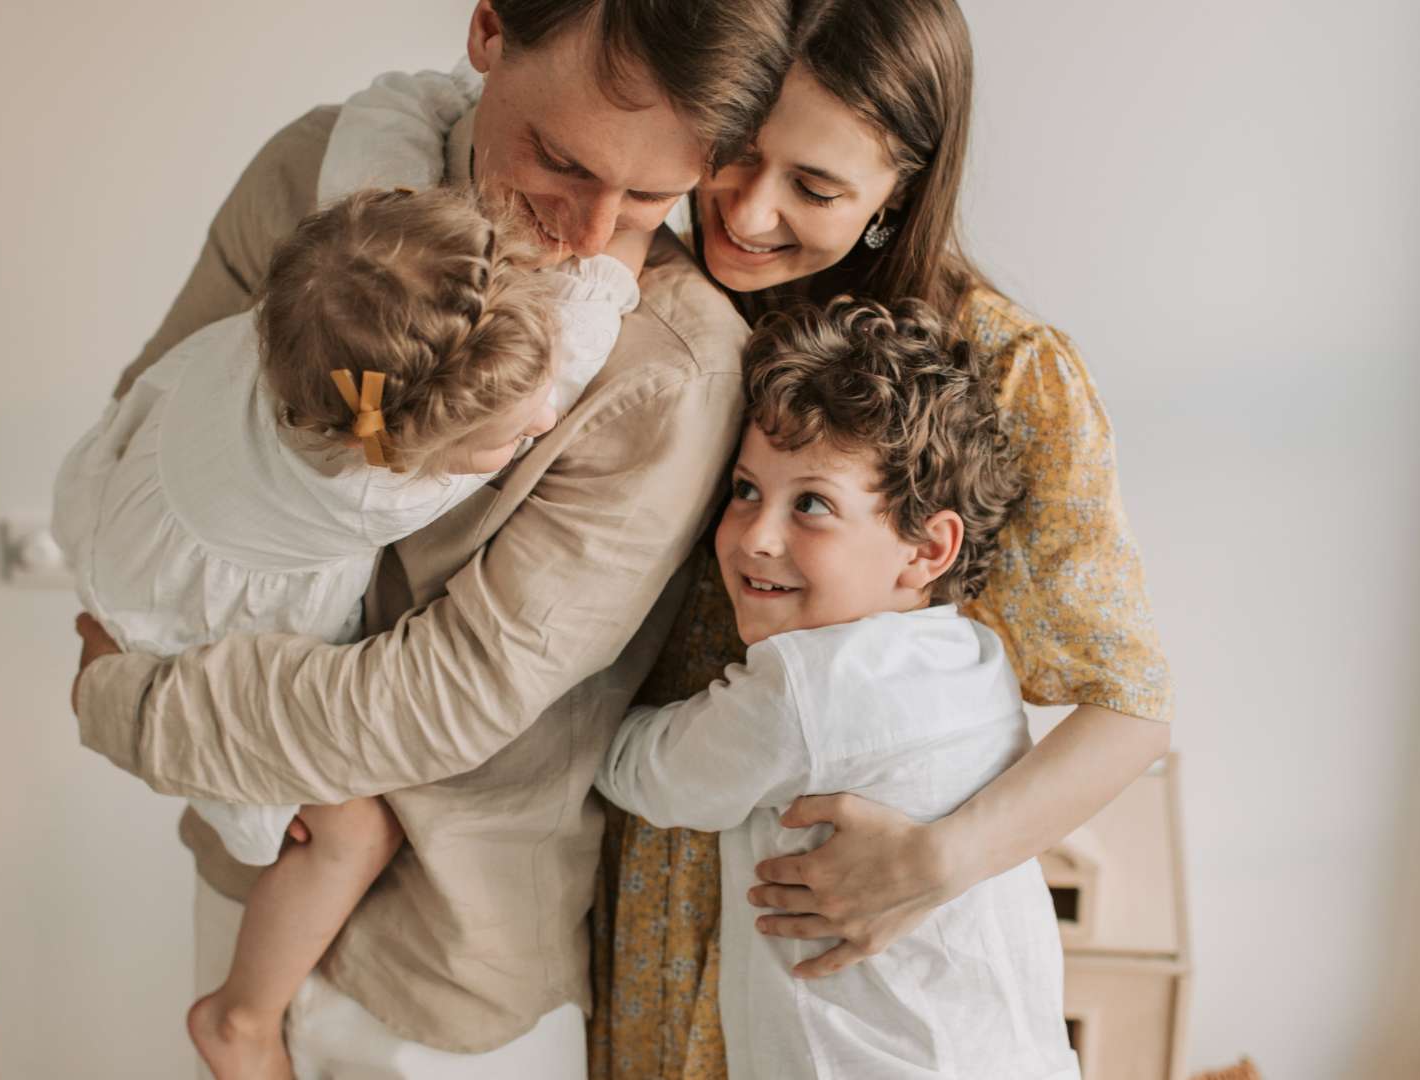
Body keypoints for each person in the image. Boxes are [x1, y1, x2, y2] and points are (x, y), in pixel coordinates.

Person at [68, 1, 793, 1076]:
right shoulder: (312, 174)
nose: (590, 235)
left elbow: (455, 691)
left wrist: (130, 705)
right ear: (490, 33)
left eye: (651, 194)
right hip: (246, 868)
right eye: (559, 159)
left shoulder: (672, 368)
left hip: (449, 967)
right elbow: (160, 426)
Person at [590, 0, 1173, 1074]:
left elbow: (1129, 711)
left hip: (842, 930)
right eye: (736, 151)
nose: (749, 210)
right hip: (650, 899)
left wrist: (931, 864)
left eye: (814, 186)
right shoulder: (639, 293)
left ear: (899, 188)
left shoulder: (1005, 373)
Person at [53, 184, 640, 1079]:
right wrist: (632, 224)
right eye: (508, 439)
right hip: (174, 620)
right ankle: (240, 1019)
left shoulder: (325, 301)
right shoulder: (375, 484)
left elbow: (380, 135)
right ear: (407, 449)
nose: (546, 422)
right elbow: (595, 315)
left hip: (126, 520)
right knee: (353, 832)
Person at [594, 296, 1079, 1080]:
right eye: (746, 490)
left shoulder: (807, 687)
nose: (756, 534)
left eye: (810, 504)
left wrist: (575, 708)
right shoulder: (977, 658)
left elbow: (655, 774)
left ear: (927, 547)